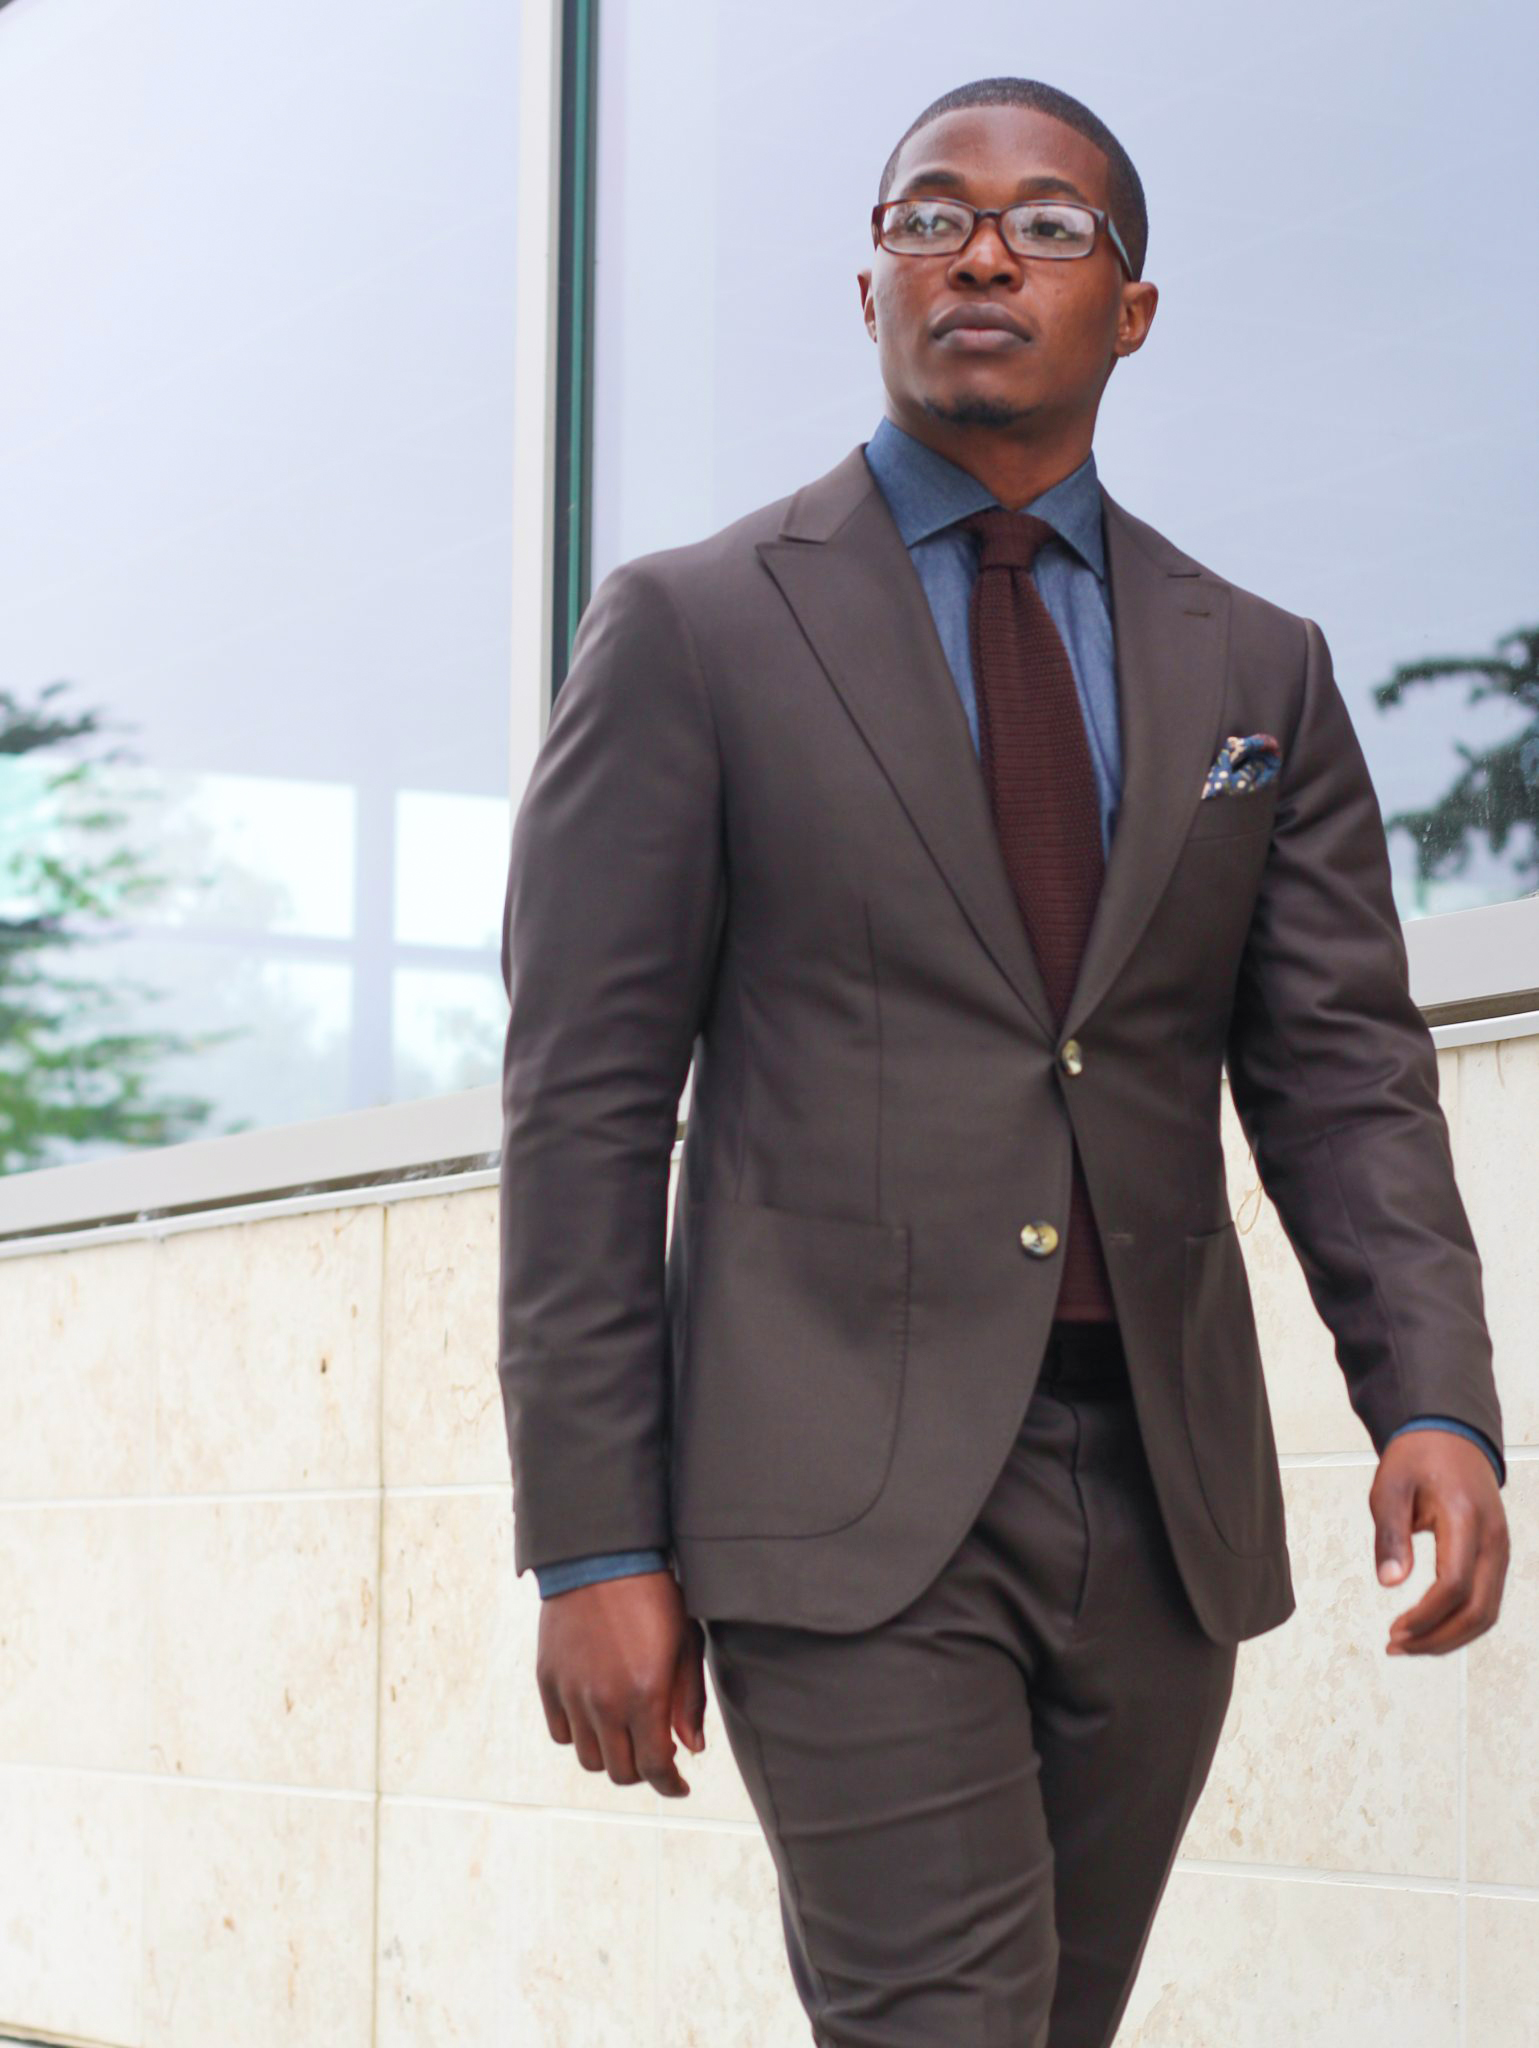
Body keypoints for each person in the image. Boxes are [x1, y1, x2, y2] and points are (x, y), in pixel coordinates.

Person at [496, 74, 1510, 2047]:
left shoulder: (1254, 668)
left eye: (1047, 226)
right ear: (865, 283)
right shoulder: (694, 630)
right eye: (927, 215)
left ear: (1128, 310)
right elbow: (586, 1111)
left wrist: (1435, 1402)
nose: (980, 250)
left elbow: (1338, 1078)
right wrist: (594, 1535)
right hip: (835, 1500)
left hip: (1158, 1500)